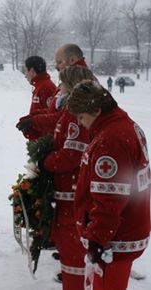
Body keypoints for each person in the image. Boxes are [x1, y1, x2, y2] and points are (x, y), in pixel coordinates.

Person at [67, 80, 150, 290]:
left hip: (113, 240)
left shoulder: (110, 141)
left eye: (81, 117)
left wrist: (97, 239)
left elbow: (110, 199)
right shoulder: (121, 125)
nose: (80, 122)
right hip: (123, 231)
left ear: (96, 109)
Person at [41, 67, 95, 290]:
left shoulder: (75, 113)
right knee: (70, 256)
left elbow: (72, 153)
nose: (58, 87)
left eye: (61, 83)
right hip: (68, 196)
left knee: (74, 258)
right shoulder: (70, 110)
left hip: (72, 197)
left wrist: (46, 162)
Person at [16, 44, 89, 139]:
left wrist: (35, 122)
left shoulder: (83, 82)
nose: (56, 67)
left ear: (72, 60)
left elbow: (64, 118)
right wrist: (34, 116)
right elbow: (53, 110)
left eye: (59, 62)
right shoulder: (67, 82)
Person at [19, 56, 57, 140]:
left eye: (26, 70)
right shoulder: (40, 86)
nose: (25, 75)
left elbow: (51, 116)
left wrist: (43, 142)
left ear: (32, 71)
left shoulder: (46, 87)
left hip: (43, 140)